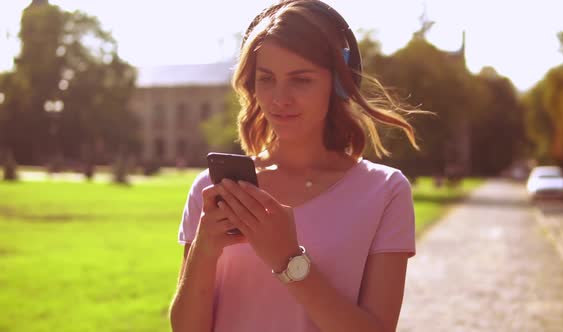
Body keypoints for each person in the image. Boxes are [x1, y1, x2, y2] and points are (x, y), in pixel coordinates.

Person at [170, 1, 425, 331]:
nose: (280, 98)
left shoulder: (386, 192)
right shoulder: (214, 190)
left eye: (300, 79)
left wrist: (288, 260)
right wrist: (204, 251)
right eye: (267, 78)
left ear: (338, 83)